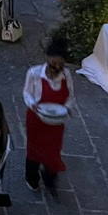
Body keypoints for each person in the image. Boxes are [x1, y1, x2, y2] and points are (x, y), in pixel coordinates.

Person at [24, 36, 75, 195]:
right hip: (36, 119)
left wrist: (67, 108)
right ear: (47, 59)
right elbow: (27, 92)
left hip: (56, 121)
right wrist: (32, 103)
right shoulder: (34, 73)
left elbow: (70, 96)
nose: (57, 67)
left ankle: (49, 178)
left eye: (60, 64)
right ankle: (31, 178)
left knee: (53, 150)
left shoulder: (66, 75)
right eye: (54, 63)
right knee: (34, 150)